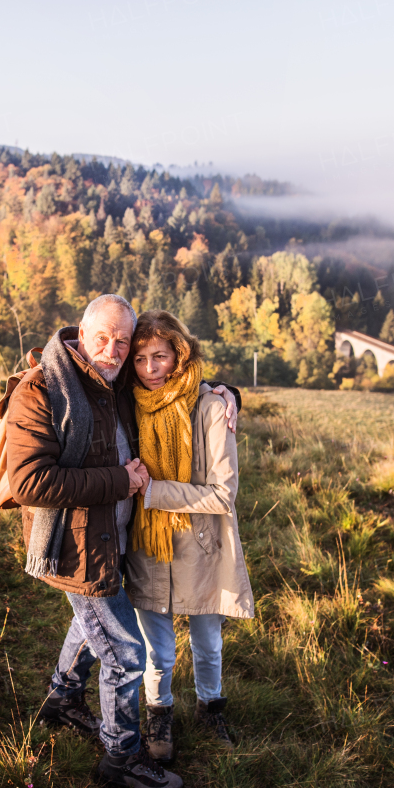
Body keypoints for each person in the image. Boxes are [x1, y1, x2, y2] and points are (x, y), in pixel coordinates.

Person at [4, 293, 183, 788]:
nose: (112, 349)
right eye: (102, 338)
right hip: (74, 547)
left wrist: (225, 393)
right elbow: (31, 484)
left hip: (113, 540)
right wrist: (119, 482)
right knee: (126, 653)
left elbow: (172, 380)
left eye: (122, 341)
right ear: (81, 335)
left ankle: (62, 697)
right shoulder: (42, 390)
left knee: (92, 624)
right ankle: (121, 756)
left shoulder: (115, 380)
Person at [124, 310, 254, 763]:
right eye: (139, 359)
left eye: (159, 356)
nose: (149, 369)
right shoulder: (127, 402)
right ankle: (158, 715)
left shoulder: (212, 407)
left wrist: (154, 490)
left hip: (199, 544)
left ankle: (210, 707)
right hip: (148, 544)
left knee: (208, 640)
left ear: (180, 356)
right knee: (156, 649)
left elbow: (223, 494)